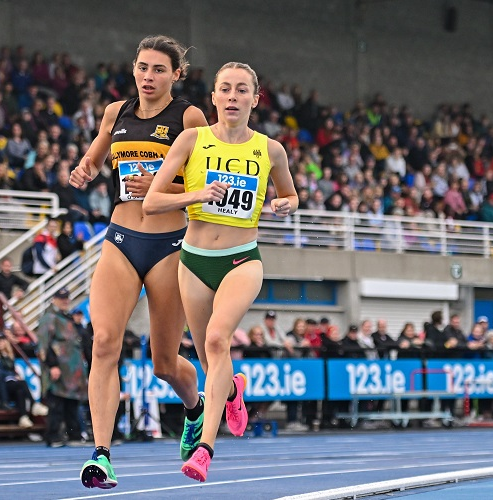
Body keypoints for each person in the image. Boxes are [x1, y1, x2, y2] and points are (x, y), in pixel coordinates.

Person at [143, 61, 297, 482]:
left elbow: (290, 194)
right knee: (213, 363)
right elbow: (152, 202)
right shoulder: (192, 140)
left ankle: (205, 450)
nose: (232, 97)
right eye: (225, 89)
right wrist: (196, 193)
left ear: (255, 99)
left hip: (242, 260)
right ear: (212, 97)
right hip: (193, 260)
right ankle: (231, 391)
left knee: (216, 338)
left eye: (242, 90)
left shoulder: (270, 150)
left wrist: (287, 204)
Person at [71, 35, 207, 489]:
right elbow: (95, 158)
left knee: (164, 363)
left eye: (159, 70)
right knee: (105, 342)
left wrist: (160, 187)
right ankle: (101, 455)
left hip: (170, 244)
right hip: (121, 239)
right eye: (142, 68)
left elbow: (203, 187)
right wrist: (85, 168)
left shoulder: (189, 117)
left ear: (176, 75)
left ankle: (195, 407)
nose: (148, 77)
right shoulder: (117, 112)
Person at [36, 288, 89, 447]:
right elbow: (43, 346)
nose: (65, 301)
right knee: (56, 404)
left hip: (71, 372)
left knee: (71, 404)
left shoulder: (66, 318)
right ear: (54, 299)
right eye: (61, 298)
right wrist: (52, 365)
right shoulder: (50, 318)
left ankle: (74, 435)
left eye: (67, 298)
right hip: (58, 369)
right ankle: (53, 436)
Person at [0, 333, 37, 428]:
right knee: (22, 383)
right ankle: (34, 404)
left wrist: (14, 375)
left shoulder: (9, 356)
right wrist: (12, 375)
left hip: (11, 382)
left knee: (20, 391)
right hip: (1, 384)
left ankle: (23, 417)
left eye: (2, 341)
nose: (0, 343)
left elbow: (11, 370)